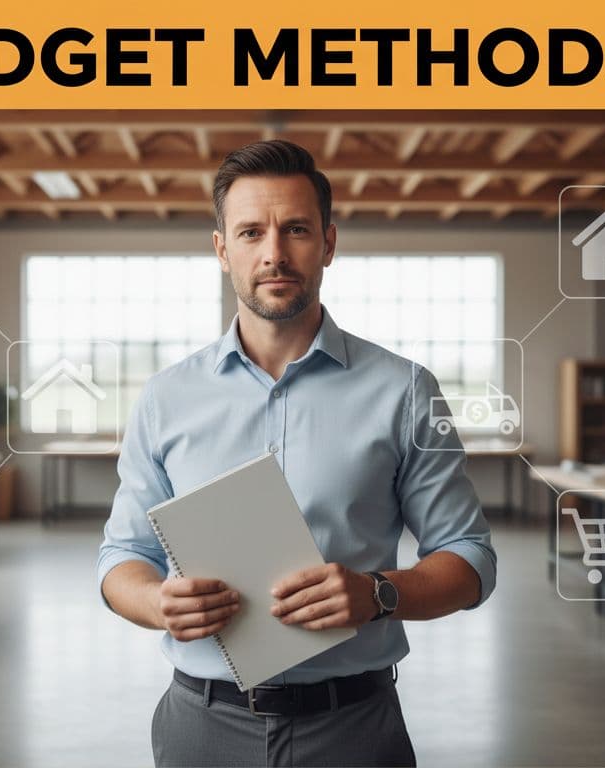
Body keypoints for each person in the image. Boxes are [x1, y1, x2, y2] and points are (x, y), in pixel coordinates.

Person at [97, 139, 496, 767]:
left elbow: (471, 560)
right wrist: (155, 602)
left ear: (328, 243)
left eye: (297, 229)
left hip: (355, 731)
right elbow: (122, 557)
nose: (274, 253)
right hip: (200, 728)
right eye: (251, 232)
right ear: (222, 248)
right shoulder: (165, 397)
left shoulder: (405, 390)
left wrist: (379, 593)